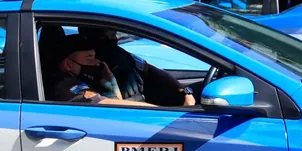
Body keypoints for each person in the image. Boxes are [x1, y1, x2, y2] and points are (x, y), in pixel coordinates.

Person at [46, 34, 195, 107]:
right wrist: (163, 112)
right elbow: (109, 104)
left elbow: (150, 69)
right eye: (89, 60)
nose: (97, 63)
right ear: (68, 65)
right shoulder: (66, 86)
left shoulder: (84, 77)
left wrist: (184, 91)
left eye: (95, 58)